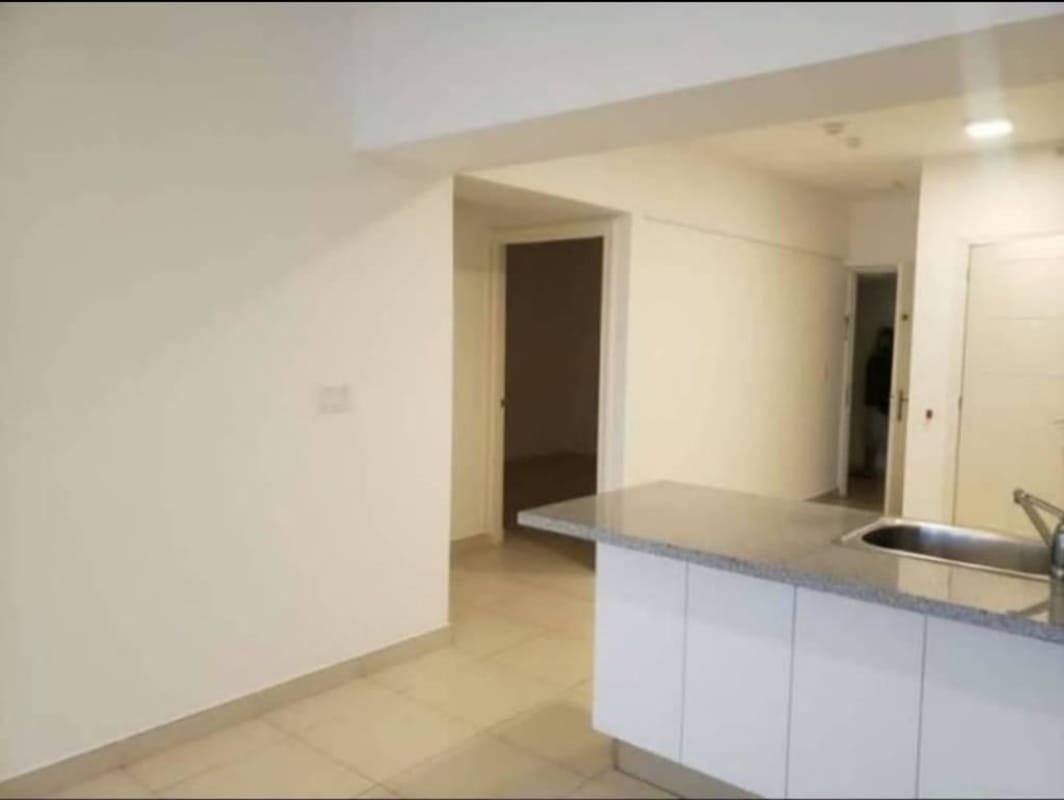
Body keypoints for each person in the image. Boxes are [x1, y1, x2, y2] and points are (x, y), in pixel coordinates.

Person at [864, 327, 893, 478]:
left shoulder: (889, 360)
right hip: (876, 404)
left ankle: (877, 469)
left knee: (882, 438)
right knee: (873, 438)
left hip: (884, 404)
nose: (885, 343)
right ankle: (870, 469)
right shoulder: (875, 360)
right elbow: (872, 384)